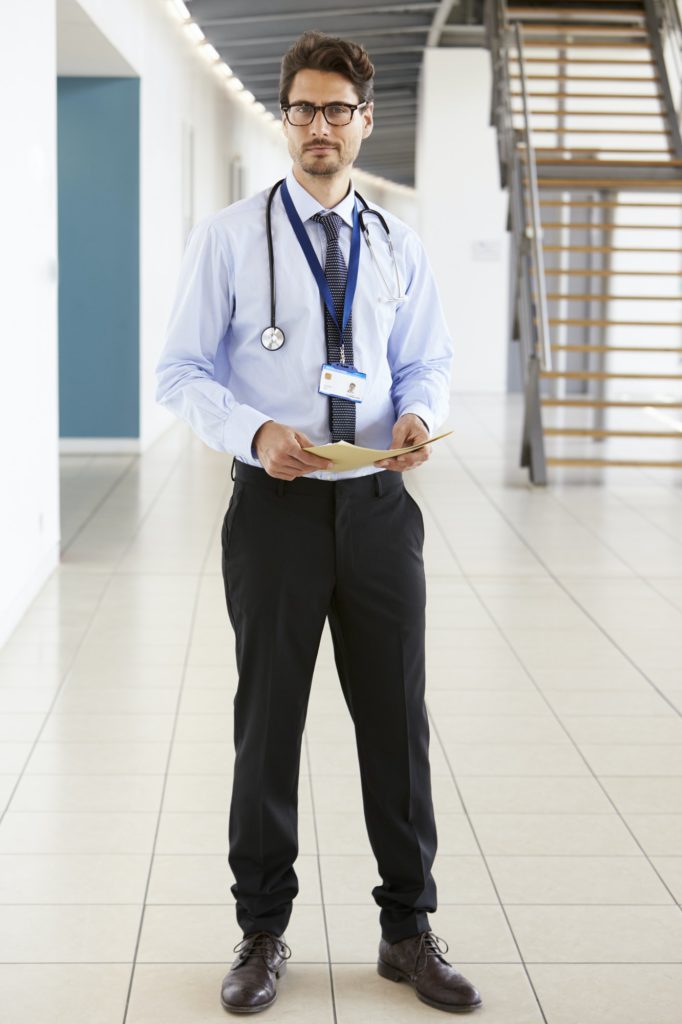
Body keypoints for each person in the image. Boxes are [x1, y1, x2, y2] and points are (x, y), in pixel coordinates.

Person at [155, 29, 482, 1017]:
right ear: (285, 119)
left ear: (364, 120)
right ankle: (261, 930)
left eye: (338, 109)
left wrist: (418, 412)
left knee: (396, 724)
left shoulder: (397, 243)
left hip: (379, 508)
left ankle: (406, 928)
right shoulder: (228, 237)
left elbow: (425, 358)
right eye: (303, 109)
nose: (319, 127)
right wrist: (253, 430)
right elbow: (180, 372)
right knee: (269, 723)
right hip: (277, 509)